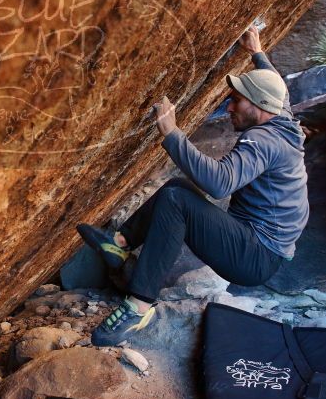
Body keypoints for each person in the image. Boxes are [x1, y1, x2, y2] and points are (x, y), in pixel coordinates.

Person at [77, 26, 309, 346]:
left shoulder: (264, 140)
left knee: (176, 201)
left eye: (236, 101)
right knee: (178, 186)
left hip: (255, 257)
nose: (229, 107)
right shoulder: (280, 115)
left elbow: (219, 183)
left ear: (258, 107)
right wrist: (256, 50)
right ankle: (119, 242)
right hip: (259, 246)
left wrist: (171, 133)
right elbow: (274, 83)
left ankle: (138, 306)